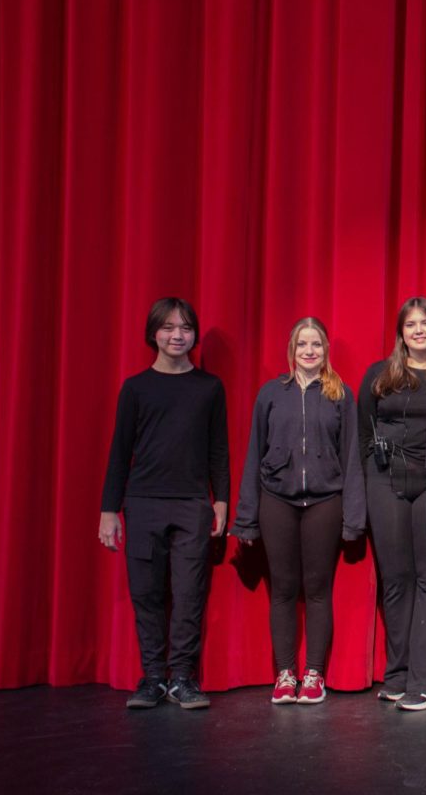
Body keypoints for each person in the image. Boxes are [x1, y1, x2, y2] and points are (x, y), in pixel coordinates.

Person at [99, 297, 229, 710]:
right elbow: (120, 451)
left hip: (192, 504)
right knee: (147, 594)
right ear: (153, 333)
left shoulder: (209, 387)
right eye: (169, 327)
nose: (178, 335)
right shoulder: (136, 388)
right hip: (143, 504)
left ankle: (184, 679)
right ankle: (154, 678)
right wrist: (109, 510)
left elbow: (218, 450)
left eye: (186, 328)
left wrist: (221, 499)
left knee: (189, 596)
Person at [233, 317, 366, 705]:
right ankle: (286, 673)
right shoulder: (271, 394)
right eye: (303, 345)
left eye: (317, 345)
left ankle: (313, 675)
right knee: (284, 590)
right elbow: (253, 455)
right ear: (292, 350)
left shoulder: (340, 394)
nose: (310, 352)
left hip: (325, 501)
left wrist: (354, 517)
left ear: (326, 351)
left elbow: (352, 457)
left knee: (319, 590)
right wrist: (246, 516)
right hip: (278, 500)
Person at [357, 298, 426, 711]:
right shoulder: (378, 375)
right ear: (401, 333)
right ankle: (398, 673)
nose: (418, 330)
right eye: (410, 324)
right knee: (396, 578)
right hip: (385, 479)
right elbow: (363, 433)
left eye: (425, 323)